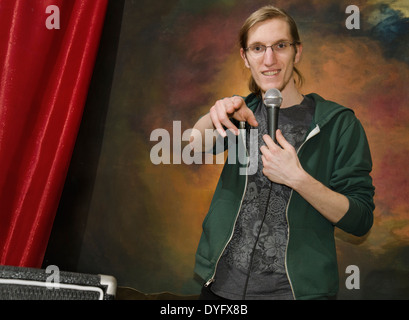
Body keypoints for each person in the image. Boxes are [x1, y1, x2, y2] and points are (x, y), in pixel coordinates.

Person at [189, 5, 375, 300]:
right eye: (258, 48)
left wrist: (299, 179)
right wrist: (211, 116)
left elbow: (361, 219)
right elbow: (193, 147)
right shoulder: (241, 112)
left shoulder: (339, 124)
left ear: (297, 51)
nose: (269, 59)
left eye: (280, 46)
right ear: (245, 57)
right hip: (222, 290)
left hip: (296, 294)